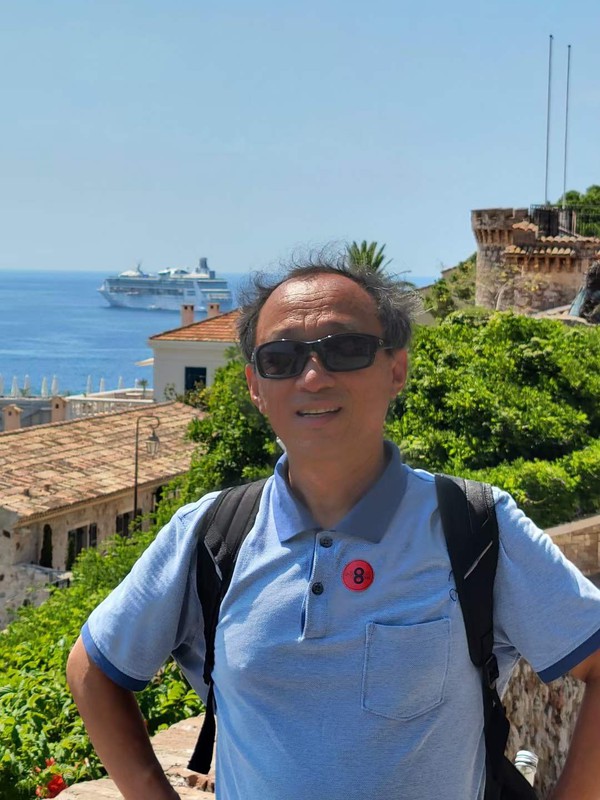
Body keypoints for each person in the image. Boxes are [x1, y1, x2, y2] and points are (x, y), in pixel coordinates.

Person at [67, 254, 600, 799]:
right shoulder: (211, 533)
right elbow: (92, 670)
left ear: (396, 370)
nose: (313, 377)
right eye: (281, 359)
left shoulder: (475, 527)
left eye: (346, 349)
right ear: (255, 386)